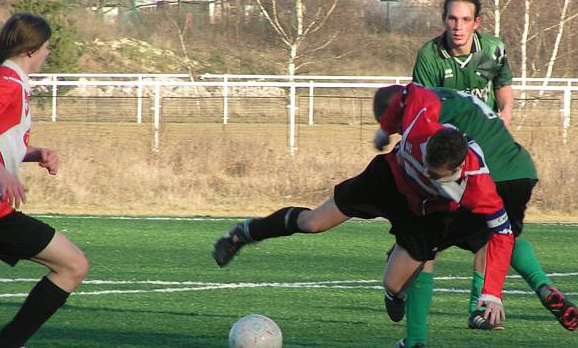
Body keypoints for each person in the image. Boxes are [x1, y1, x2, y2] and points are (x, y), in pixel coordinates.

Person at [213, 101, 516, 348]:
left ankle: (395, 293)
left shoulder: (481, 186)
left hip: (425, 215)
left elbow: (503, 235)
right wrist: (385, 129)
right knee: (313, 222)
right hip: (385, 182)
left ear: (460, 167)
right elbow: (404, 94)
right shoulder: (420, 122)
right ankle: (244, 233)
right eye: (427, 168)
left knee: (393, 283)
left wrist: (491, 293)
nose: (428, 176)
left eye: (437, 176)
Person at [373, 83, 578, 346]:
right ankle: (541, 286)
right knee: (498, 234)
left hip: (480, 175)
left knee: (423, 247)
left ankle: (415, 338)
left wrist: (385, 135)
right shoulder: (440, 95)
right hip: (520, 171)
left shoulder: (427, 113)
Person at [0, 13, 89, 348]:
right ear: (31, 50)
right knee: (73, 265)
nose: (48, 54)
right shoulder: (7, 84)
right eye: (46, 48)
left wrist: (32, 154)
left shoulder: (4, 80)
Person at [412, 0, 514, 127]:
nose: (458, 27)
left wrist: (506, 112)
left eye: (466, 19)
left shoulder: (488, 51)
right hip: (446, 137)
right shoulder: (430, 56)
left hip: (486, 133)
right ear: (444, 19)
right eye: (453, 19)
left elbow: (500, 85)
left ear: (476, 23)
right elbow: (422, 108)